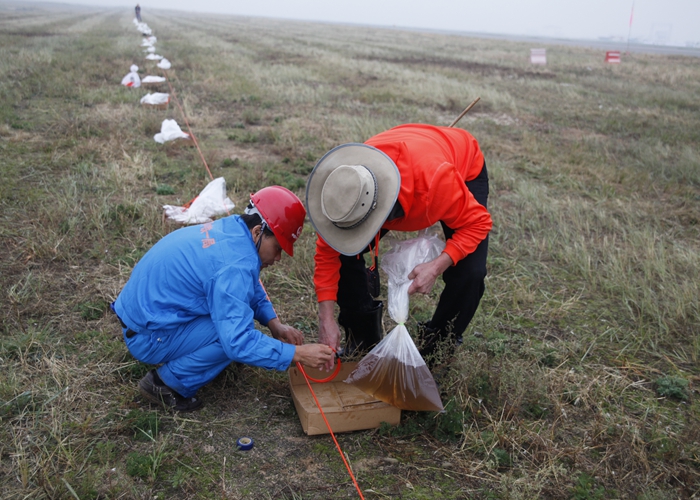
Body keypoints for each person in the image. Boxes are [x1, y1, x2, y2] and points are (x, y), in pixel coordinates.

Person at [112, 186, 334, 411]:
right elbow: (237, 340)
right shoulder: (234, 265)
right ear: (258, 231)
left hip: (143, 318)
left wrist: (273, 323)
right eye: (277, 248)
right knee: (231, 337)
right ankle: (165, 384)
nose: (278, 258)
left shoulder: (234, 231)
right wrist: (297, 354)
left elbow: (245, 283)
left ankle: (196, 356)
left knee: (232, 328)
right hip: (147, 337)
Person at [306, 124, 492, 368]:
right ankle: (362, 337)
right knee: (343, 252)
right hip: (415, 150)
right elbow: (328, 254)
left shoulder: (436, 183)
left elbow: (477, 223)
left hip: (460, 165)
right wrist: (326, 319)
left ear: (383, 213)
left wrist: (436, 266)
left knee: (470, 272)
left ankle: (436, 351)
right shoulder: (345, 189)